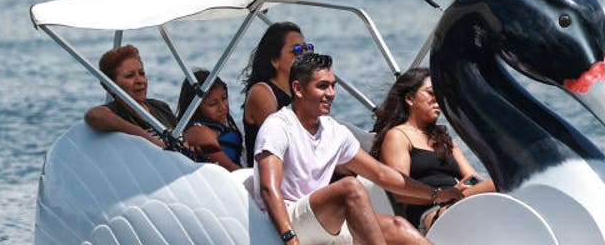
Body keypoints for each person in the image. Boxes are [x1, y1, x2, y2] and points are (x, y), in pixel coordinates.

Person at [251, 52, 461, 245]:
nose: (331, 93)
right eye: (322, 86)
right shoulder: (278, 126)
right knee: (350, 187)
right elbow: (269, 189)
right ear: (298, 89)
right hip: (285, 220)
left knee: (398, 228)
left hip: (322, 220)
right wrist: (289, 237)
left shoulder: (333, 131)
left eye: (333, 86)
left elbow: (381, 174)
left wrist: (435, 194)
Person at [371, 68, 493, 232]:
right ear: (409, 98)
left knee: (507, 183)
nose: (438, 100)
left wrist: (473, 187)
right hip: (429, 213)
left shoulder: (443, 138)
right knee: (509, 182)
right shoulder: (398, 136)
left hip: (457, 201)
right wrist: (442, 194)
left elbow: (473, 177)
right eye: (430, 93)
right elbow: (400, 192)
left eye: (440, 95)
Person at [85, 44, 177, 147]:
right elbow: (93, 115)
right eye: (130, 76)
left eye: (142, 73)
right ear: (111, 87)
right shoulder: (115, 113)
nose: (140, 81)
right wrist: (142, 135)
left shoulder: (160, 107)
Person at [242, 21, 308, 164]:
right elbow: (284, 144)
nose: (304, 54)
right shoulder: (262, 93)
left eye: (306, 48)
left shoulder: (300, 91)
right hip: (273, 176)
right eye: (296, 50)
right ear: (274, 60)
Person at [177, 68, 244, 171]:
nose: (222, 108)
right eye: (213, 104)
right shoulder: (198, 132)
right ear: (195, 108)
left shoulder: (218, 127)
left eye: (224, 98)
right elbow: (230, 168)